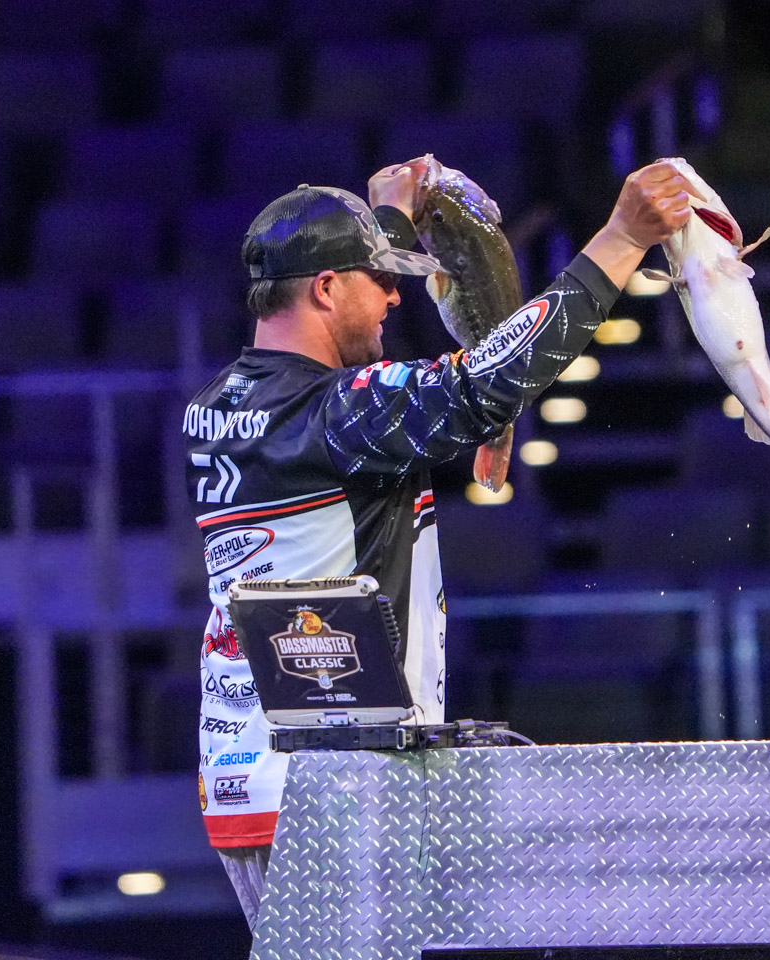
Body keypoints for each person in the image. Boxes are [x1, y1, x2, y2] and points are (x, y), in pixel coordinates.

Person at [186, 157, 695, 928]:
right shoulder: (334, 415)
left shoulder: (218, 406)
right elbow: (482, 383)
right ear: (325, 288)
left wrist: (387, 223)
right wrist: (621, 239)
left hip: (258, 778)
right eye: (380, 279)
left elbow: (362, 369)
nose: (397, 295)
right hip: (331, 797)